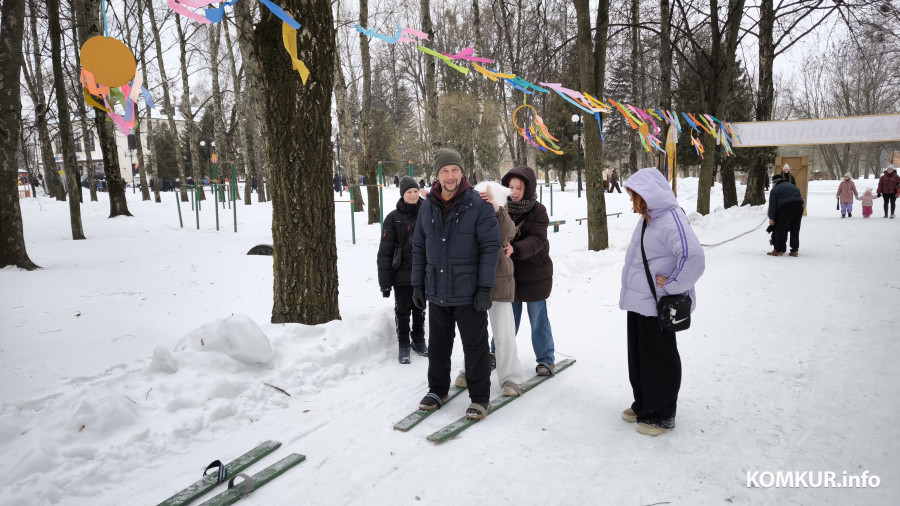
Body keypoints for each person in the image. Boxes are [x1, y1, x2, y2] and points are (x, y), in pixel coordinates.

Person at [412, 148, 500, 421]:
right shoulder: (427, 206)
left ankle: (480, 397)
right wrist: (417, 284)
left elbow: (490, 248)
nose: (450, 176)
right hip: (437, 289)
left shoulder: (478, 205)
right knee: (438, 344)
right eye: (444, 171)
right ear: (437, 175)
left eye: (454, 170)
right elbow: (418, 247)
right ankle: (438, 389)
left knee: (475, 346)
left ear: (462, 172)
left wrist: (485, 288)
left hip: (469, 291)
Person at [619, 167, 705, 436]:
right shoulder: (648, 218)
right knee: (640, 358)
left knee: (660, 359)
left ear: (648, 196)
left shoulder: (670, 219)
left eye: (635, 197)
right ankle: (644, 403)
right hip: (639, 302)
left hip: (658, 305)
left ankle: (661, 413)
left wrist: (672, 285)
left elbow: (694, 258)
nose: (632, 202)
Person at [456, 183, 525, 397]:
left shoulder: (501, 216)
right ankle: (472, 369)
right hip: (473, 280)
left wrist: (496, 206)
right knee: (473, 333)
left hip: (500, 279)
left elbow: (509, 232)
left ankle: (512, 377)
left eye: (488, 199)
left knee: (503, 331)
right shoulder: (468, 212)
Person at [501, 166, 557, 376]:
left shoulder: (538, 210)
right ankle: (496, 352)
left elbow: (538, 240)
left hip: (535, 274)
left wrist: (516, 248)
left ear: (528, 188)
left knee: (538, 318)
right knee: (507, 318)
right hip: (510, 274)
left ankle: (546, 359)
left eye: (519, 188)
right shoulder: (501, 208)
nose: (514, 192)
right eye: (511, 187)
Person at [378, 177, 428, 364]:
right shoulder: (392, 218)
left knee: (420, 307)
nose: (414, 195)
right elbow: (385, 251)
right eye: (409, 192)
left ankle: (419, 340)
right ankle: (404, 344)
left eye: (416, 191)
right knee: (403, 309)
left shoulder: (427, 211)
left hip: (422, 270)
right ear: (403, 194)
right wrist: (385, 282)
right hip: (401, 272)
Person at [767, 173, 805, 257]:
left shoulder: (775, 190)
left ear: (775, 182)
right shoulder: (793, 186)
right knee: (795, 228)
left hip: (786, 208)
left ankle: (778, 250)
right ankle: (794, 250)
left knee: (780, 229)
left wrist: (772, 218)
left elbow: (772, 205)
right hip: (799, 207)